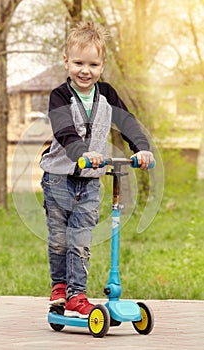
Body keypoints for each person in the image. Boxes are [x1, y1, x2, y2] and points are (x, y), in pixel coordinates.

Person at [40, 21, 154, 319]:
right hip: (58, 179)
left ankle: (78, 296)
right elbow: (64, 131)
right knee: (60, 238)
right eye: (78, 63)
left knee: (81, 239)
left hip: (90, 181)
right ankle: (60, 287)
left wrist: (141, 148)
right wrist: (82, 153)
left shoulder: (106, 94)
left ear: (102, 65)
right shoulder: (59, 96)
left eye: (93, 64)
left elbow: (127, 122)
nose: (85, 70)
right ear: (66, 61)